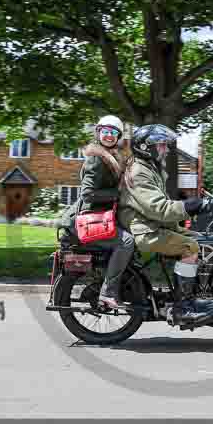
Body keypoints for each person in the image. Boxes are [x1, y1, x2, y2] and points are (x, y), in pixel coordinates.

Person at [119, 124, 213, 324]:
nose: (166, 149)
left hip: (154, 224)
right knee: (190, 247)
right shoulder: (139, 172)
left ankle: (201, 294)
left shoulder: (149, 167)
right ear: (146, 147)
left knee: (206, 240)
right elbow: (159, 209)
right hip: (146, 230)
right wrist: (193, 205)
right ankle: (183, 307)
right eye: (161, 145)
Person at [59, 115, 135, 309]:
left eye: (113, 133)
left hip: (98, 217)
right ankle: (108, 292)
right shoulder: (96, 159)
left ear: (118, 136)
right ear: (98, 132)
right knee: (126, 241)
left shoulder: (111, 157)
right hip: (86, 221)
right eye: (105, 132)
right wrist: (119, 194)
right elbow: (88, 194)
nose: (109, 136)